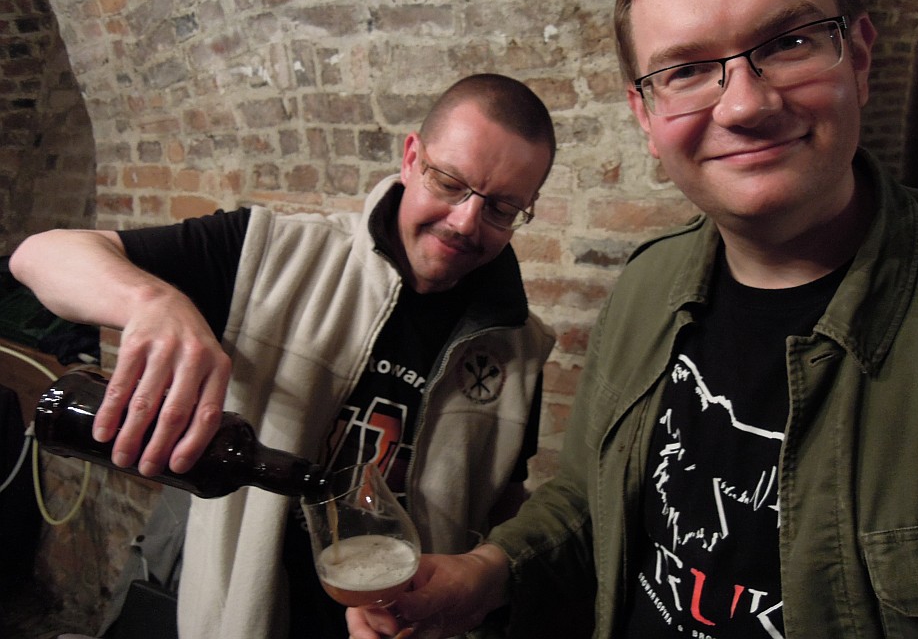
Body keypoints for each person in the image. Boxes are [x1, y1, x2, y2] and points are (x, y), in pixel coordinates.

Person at [349, 0, 918, 639]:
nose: (743, 106)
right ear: (645, 115)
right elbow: (588, 498)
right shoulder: (647, 287)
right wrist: (486, 573)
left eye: (789, 43)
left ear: (858, 58)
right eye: (686, 71)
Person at [10, 73, 558, 639]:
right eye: (448, 182)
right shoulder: (271, 252)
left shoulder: (519, 345)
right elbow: (40, 255)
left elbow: (501, 504)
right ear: (411, 158)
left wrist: (468, 599)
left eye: (501, 208)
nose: (465, 222)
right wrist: (152, 302)